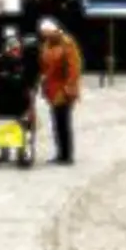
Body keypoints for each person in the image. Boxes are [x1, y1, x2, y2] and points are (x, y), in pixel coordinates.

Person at [38, 17, 82, 164]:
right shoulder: (47, 45)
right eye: (43, 33)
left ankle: (67, 155)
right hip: (52, 89)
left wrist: (68, 88)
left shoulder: (67, 44)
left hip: (64, 90)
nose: (45, 36)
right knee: (57, 123)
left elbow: (74, 68)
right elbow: (45, 67)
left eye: (46, 33)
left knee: (63, 122)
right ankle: (60, 153)